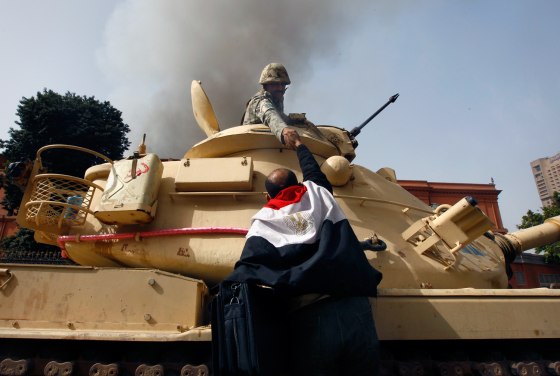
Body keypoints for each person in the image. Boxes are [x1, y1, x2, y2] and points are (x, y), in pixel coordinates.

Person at [225, 131, 383, 375]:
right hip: (355, 309)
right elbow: (313, 172)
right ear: (298, 184)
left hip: (311, 316)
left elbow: (248, 268)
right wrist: (299, 144)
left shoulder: (264, 222)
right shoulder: (319, 193)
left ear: (267, 197)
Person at [242, 63, 300, 149]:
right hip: (253, 147)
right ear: (265, 86)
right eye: (275, 84)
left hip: (267, 146)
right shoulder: (260, 101)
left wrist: (294, 120)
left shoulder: (277, 99)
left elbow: (278, 116)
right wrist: (284, 130)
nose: (280, 88)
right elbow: (270, 115)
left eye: (282, 84)